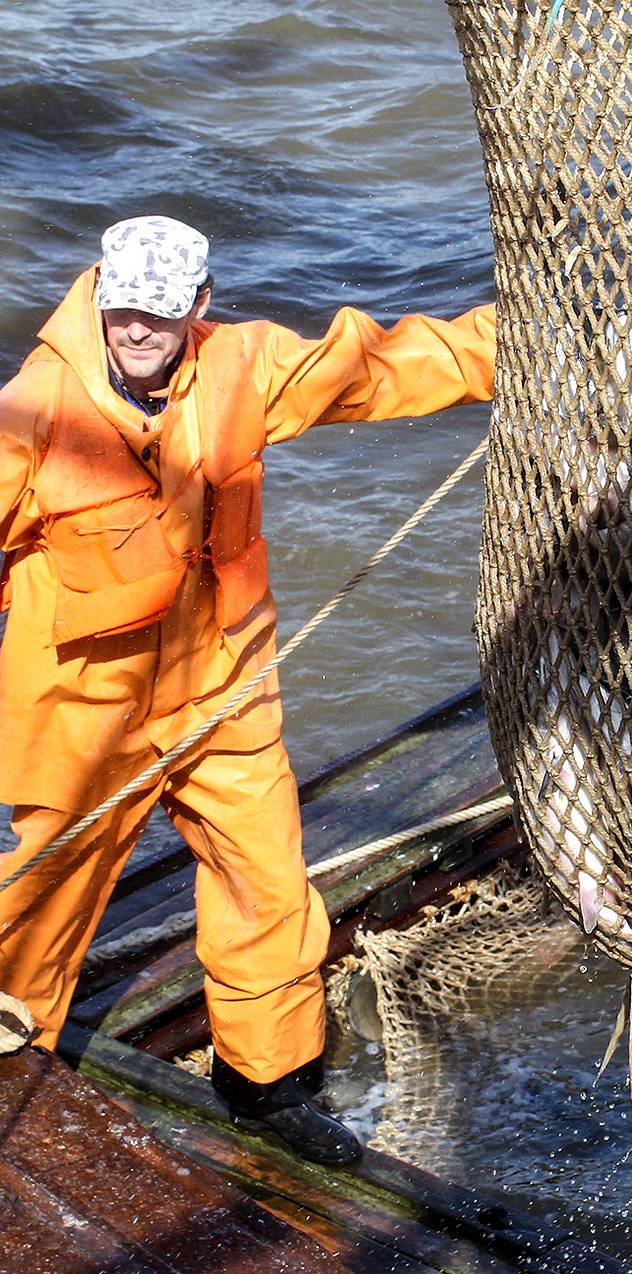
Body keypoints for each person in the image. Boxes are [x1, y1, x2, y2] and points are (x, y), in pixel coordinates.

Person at [0, 215, 497, 1165]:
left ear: (198, 306)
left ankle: (268, 1087)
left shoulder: (247, 366)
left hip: (224, 690)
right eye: (122, 308)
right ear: (100, 295)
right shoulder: (32, 411)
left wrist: (523, 345)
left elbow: (383, 365)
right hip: (81, 707)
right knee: (45, 894)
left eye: (157, 311)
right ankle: (18, 1056)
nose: (135, 330)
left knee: (267, 884)